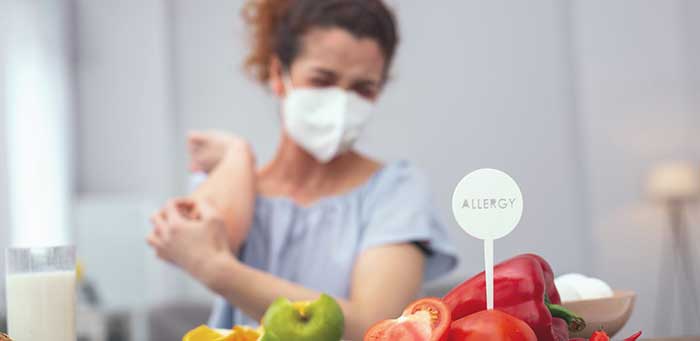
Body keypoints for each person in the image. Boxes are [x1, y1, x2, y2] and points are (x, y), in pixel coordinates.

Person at [147, 0, 457, 339]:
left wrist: (216, 270)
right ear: (279, 75)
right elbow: (193, 239)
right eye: (323, 80)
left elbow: (375, 325)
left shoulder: (398, 191)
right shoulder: (237, 181)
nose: (341, 103)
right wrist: (239, 156)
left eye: (362, 88)